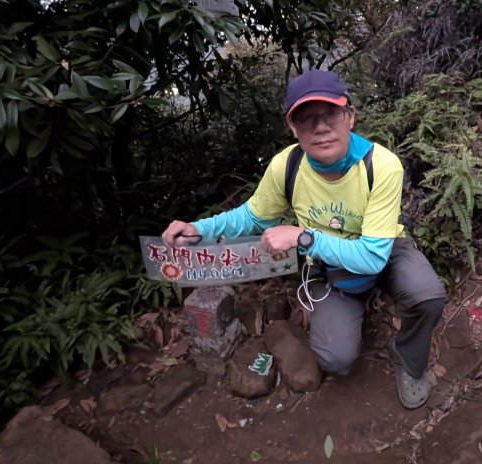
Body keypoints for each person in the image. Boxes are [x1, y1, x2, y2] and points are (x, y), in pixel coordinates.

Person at [162, 70, 447, 409]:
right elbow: (253, 216)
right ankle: (344, 307)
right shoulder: (287, 166)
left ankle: (408, 357)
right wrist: (200, 229)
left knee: (427, 294)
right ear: (293, 128)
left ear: (350, 117)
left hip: (381, 249)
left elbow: (372, 257)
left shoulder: (381, 166)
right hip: (329, 267)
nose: (321, 127)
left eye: (330, 114)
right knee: (335, 359)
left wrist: (304, 238)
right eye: (306, 118)